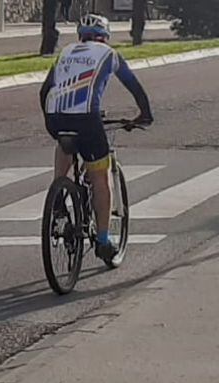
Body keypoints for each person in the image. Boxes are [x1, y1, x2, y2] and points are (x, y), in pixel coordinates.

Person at [39, 14, 153, 262]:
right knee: (101, 178)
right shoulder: (109, 54)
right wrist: (145, 114)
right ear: (106, 36)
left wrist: (50, 119)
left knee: (65, 145)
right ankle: (103, 241)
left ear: (81, 35)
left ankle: (58, 197)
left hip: (56, 117)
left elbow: (45, 90)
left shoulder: (65, 52)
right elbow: (134, 86)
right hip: (87, 119)